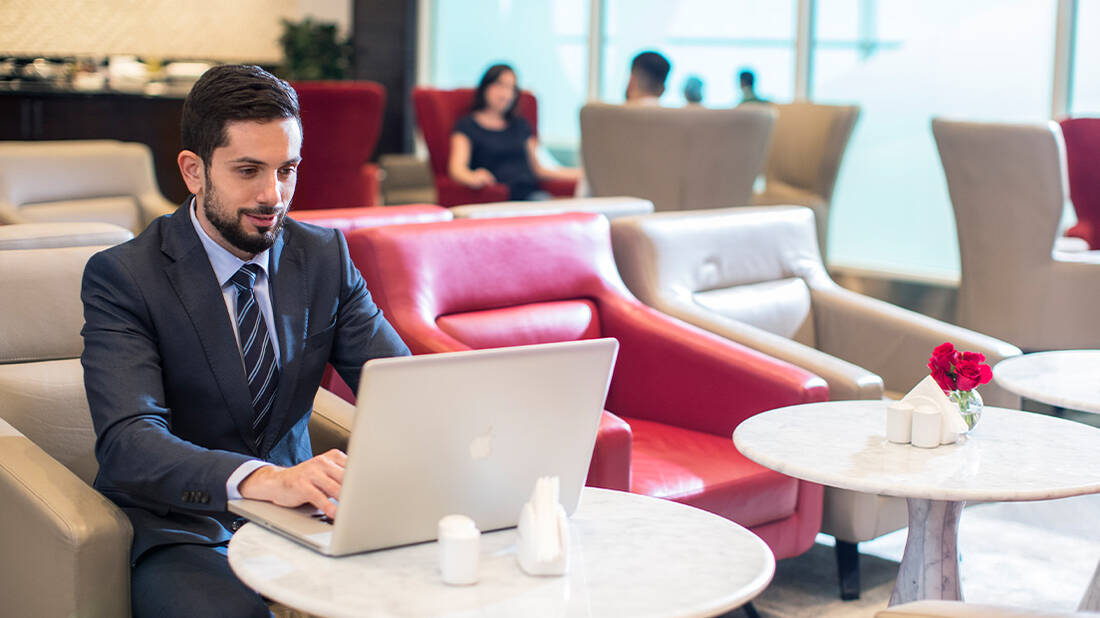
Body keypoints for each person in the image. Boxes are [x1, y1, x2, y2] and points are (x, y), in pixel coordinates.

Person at [80, 64, 410, 617]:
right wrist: (265, 480)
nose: (272, 195)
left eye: (287, 170)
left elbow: (402, 387)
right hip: (183, 527)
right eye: (249, 170)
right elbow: (129, 443)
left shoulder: (324, 257)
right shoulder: (124, 277)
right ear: (193, 171)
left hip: (304, 516)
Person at [449, 63, 579, 200]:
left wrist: (582, 174)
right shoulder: (467, 125)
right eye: (500, 85)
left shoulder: (521, 125)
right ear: (485, 86)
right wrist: (473, 177)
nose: (506, 94)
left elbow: (539, 169)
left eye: (511, 88)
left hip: (530, 194)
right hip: (497, 196)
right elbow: (457, 169)